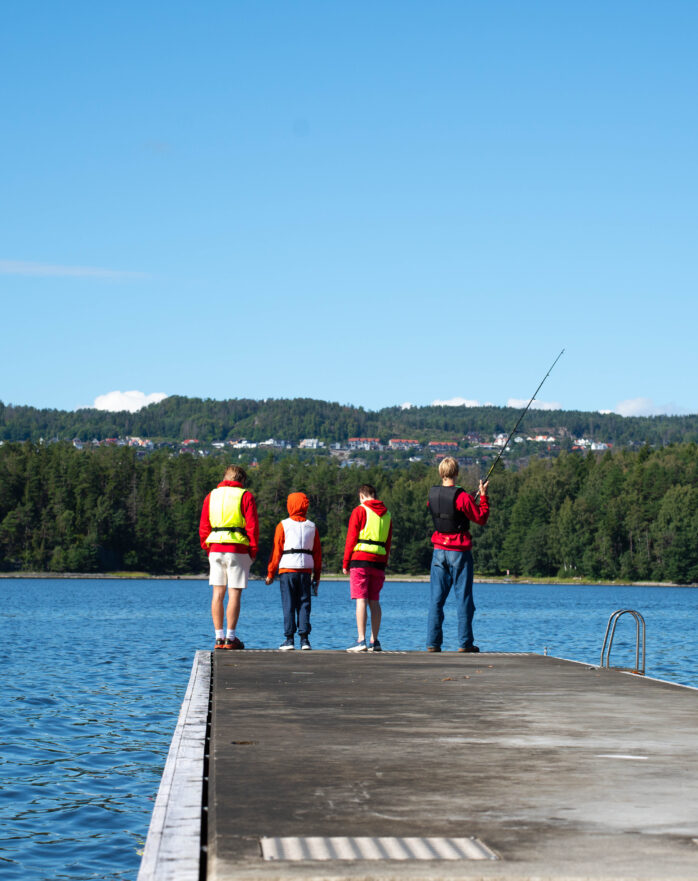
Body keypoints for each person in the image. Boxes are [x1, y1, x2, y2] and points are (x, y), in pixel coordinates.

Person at [426, 457, 489, 653]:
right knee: (463, 599)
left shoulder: (432, 495)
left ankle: (433, 643)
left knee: (436, 600)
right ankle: (465, 643)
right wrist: (483, 497)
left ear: (441, 472)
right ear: (457, 472)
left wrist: (470, 498)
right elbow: (481, 518)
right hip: (459, 553)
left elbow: (447, 509)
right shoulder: (463, 497)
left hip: (438, 552)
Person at [199, 465, 258, 650]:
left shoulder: (211, 495)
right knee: (234, 593)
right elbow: (252, 526)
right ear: (241, 480)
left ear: (225, 477)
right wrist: (253, 550)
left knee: (217, 593)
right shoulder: (245, 495)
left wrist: (207, 547)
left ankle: (218, 638)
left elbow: (204, 525)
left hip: (215, 546)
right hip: (237, 548)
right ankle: (230, 638)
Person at [265, 492, 322, 651]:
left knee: (288, 604)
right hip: (305, 571)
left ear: (290, 505)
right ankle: (305, 640)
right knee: (304, 604)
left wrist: (270, 573)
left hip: (287, 571)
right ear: (305, 506)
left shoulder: (282, 525)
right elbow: (318, 554)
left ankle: (289, 640)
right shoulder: (312, 526)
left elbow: (276, 551)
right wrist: (317, 577)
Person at [342, 484, 392, 652]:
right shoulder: (387, 514)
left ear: (362, 496)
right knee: (374, 600)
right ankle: (374, 640)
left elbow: (351, 537)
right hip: (378, 561)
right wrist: (384, 562)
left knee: (361, 599)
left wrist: (345, 562)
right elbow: (388, 542)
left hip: (361, 559)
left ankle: (361, 640)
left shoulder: (360, 510)